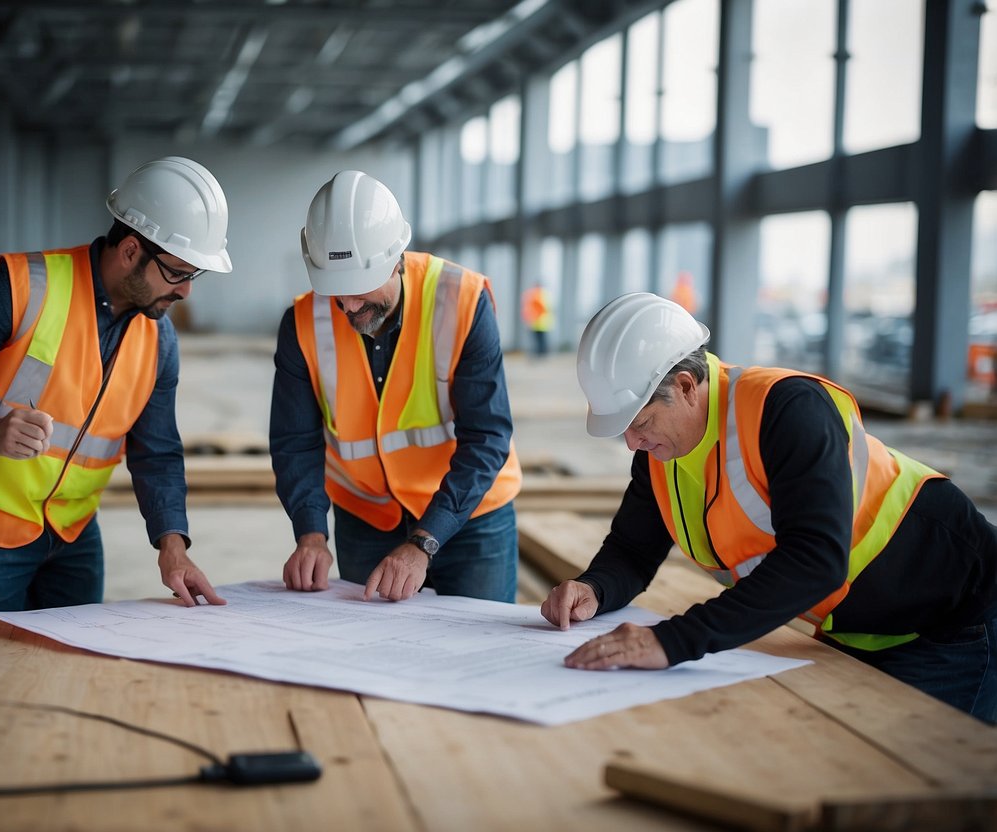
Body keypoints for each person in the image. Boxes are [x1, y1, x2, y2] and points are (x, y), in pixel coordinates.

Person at [542, 292, 997, 723]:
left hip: (955, 613)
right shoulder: (662, 452)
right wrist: (595, 588)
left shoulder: (786, 409)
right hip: (861, 628)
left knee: (921, 781)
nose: (632, 443)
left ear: (686, 387)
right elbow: (633, 548)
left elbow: (816, 558)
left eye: (640, 423)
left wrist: (671, 641)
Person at [0, 156, 232, 613]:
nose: (185, 291)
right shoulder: (19, 288)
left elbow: (156, 450)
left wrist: (172, 546)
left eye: (194, 275)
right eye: (178, 272)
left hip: (72, 534)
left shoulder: (160, 342)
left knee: (68, 671)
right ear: (132, 251)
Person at [270, 170, 522, 603]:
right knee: (371, 662)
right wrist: (310, 532)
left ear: (398, 259)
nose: (348, 306)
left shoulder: (461, 301)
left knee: (478, 654)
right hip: (366, 518)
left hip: (470, 518)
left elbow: (487, 437)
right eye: (335, 291)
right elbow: (295, 442)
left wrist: (425, 540)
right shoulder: (302, 324)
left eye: (358, 287)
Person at [521, 280, 554, 357]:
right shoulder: (545, 294)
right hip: (540, 322)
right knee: (541, 339)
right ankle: (542, 353)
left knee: (540, 340)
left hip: (539, 321)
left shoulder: (534, 294)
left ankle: (541, 353)